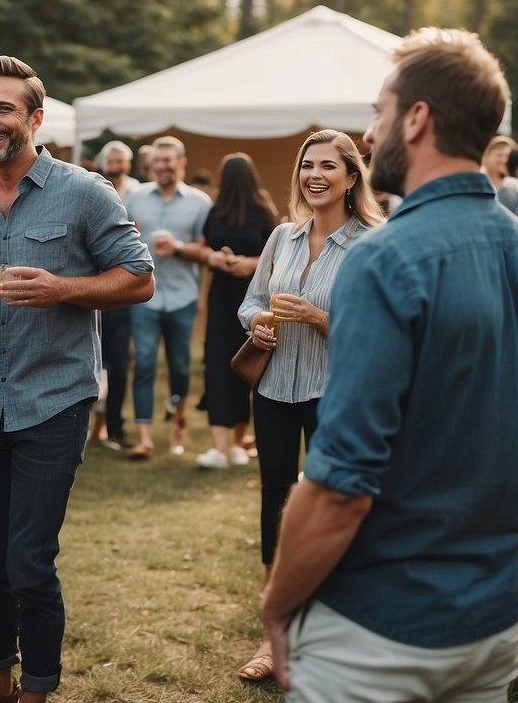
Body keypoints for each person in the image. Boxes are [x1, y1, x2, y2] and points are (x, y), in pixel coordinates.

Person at [261, 28, 518, 701]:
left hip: (379, 625)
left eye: (378, 113)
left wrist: (276, 604)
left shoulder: (385, 258)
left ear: (416, 118)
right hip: (491, 627)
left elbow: (339, 488)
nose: (369, 134)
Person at [0, 54, 153, 702]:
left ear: (35, 117)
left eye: (3, 109)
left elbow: (138, 279)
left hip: (52, 402)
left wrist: (63, 287)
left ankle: (36, 691)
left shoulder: (84, 191)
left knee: (28, 561)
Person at [232, 130, 383, 680]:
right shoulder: (282, 238)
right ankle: (275, 631)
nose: (314, 175)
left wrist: (322, 319)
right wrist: (261, 325)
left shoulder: (371, 244)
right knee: (276, 496)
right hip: (274, 388)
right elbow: (250, 303)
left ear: (351, 177)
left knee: (331, 504)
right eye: (306, 166)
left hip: (334, 391)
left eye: (327, 166)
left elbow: (381, 332)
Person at [123, 136, 213, 458]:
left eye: (168, 161)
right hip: (144, 296)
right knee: (144, 363)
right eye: (157, 162)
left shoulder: (201, 203)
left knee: (180, 368)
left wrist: (177, 247)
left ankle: (178, 425)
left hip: (182, 296)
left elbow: (207, 251)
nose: (161, 167)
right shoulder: (134, 198)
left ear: (181, 163)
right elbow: (123, 240)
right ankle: (145, 438)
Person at [194, 152, 276, 470]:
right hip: (234, 294)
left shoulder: (251, 211)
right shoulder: (244, 211)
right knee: (227, 364)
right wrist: (218, 258)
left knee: (234, 364)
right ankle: (233, 445)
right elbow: (204, 248)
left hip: (245, 295)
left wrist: (245, 263)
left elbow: (277, 255)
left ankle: (228, 446)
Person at [93, 140, 142, 449]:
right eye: (112, 161)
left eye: (121, 161)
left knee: (119, 362)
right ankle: (87, 424)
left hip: (123, 287)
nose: (116, 166)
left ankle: (115, 426)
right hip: (93, 283)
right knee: (91, 358)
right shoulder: (91, 187)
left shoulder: (139, 193)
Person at [481, 134, 518, 215]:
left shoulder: (514, 185)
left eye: (508, 156)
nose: (504, 160)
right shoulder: (479, 180)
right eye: (499, 155)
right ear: (486, 156)